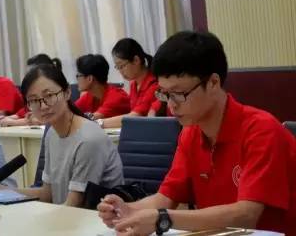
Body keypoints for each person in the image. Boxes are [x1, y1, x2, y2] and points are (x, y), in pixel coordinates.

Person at [98, 31, 296, 235]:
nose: (171, 106)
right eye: (165, 94)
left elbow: (247, 215)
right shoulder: (190, 133)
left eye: (178, 94)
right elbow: (165, 198)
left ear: (213, 83)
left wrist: (164, 218)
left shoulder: (261, 130)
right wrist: (129, 210)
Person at [0, 64, 123, 207]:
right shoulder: (52, 133)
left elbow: (74, 206)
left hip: (91, 220)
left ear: (67, 93)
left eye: (50, 96)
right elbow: (48, 194)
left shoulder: (89, 139)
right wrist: (0, 190)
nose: (43, 106)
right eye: (34, 100)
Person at [99, 39, 158, 128]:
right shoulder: (134, 84)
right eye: (117, 67)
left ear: (136, 60)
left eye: (122, 66)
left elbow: (136, 116)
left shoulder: (153, 84)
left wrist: (99, 123)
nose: (120, 71)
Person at [0, 53, 61, 127]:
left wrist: (13, 122)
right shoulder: (34, 97)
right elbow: (21, 114)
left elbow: (40, 120)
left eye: (31, 75)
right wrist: (4, 118)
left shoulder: (55, 93)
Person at [74, 54, 130, 119]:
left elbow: (92, 119)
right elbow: (70, 111)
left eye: (78, 76)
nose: (77, 79)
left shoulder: (116, 97)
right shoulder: (90, 96)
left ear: (90, 79)